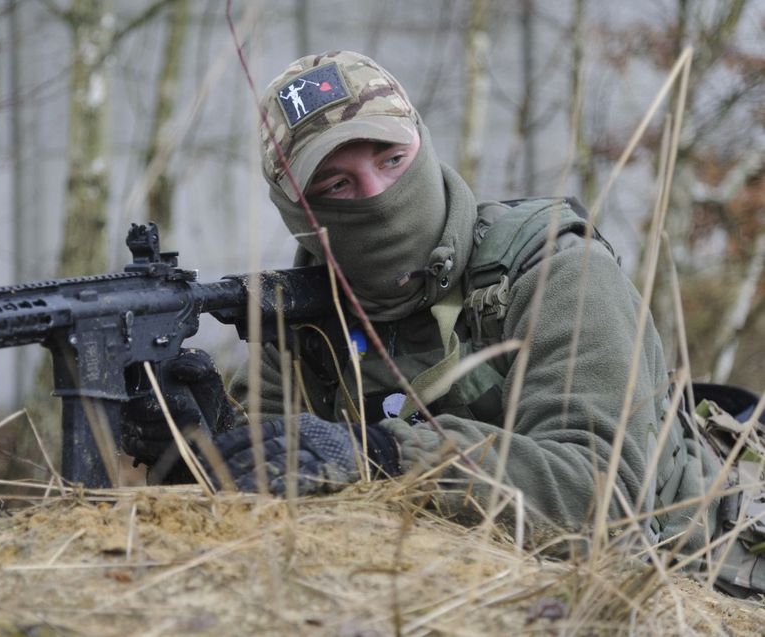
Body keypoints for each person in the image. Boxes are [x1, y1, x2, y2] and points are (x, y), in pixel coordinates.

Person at [122, 51, 764, 597]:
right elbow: (270, 493)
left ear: (423, 146)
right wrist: (202, 445)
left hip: (701, 570)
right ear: (297, 213)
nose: (375, 195)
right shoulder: (296, 318)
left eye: (392, 160)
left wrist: (392, 455)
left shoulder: (557, 271)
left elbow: (604, 496)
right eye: (337, 186)